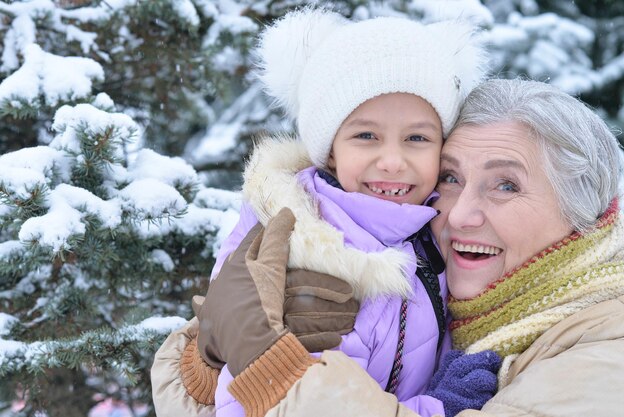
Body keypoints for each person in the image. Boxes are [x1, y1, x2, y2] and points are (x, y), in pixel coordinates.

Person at [177, 77, 624, 417]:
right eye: (450, 178)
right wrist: (208, 359)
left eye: (506, 185)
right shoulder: (425, 286)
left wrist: (271, 373)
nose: (459, 214)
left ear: (587, 214)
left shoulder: (607, 357)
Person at [151, 7, 499, 417]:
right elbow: (292, 405)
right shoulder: (310, 251)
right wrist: (439, 408)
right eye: (366, 135)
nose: (392, 160)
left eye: (417, 137)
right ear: (330, 151)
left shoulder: (428, 230)